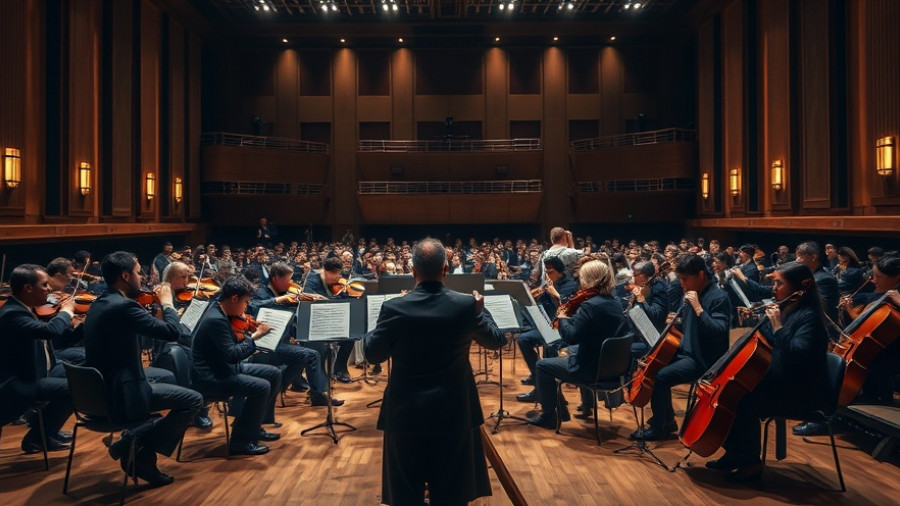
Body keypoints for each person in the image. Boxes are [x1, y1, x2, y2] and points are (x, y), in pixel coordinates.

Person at [364, 238, 505, 505]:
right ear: (445, 269)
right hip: (454, 412)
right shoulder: (465, 306)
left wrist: (381, 322)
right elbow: (496, 340)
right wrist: (481, 310)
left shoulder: (394, 307)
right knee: (451, 495)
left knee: (405, 495)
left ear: (412, 270)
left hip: (405, 413)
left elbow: (373, 354)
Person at [84, 251, 203, 487]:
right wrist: (168, 303)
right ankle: (134, 443)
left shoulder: (100, 302)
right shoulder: (125, 307)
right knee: (194, 400)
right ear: (126, 276)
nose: (143, 279)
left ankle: (138, 448)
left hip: (97, 392)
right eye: (139, 273)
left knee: (165, 375)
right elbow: (172, 333)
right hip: (121, 396)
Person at [705, 262, 829, 481]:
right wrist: (761, 323)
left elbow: (797, 355)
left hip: (802, 390)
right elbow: (769, 344)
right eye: (773, 282)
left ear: (800, 286)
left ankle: (751, 464)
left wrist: (778, 326)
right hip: (781, 379)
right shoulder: (788, 307)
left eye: (779, 283)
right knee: (732, 395)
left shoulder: (809, 316)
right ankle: (734, 453)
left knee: (741, 402)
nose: (773, 288)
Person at [633, 253, 731, 441]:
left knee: (661, 377)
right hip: (686, 351)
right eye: (679, 279)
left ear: (701, 275)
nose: (682, 283)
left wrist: (698, 308)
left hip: (704, 360)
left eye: (685, 279)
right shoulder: (691, 293)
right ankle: (666, 422)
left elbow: (718, 330)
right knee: (653, 366)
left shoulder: (719, 297)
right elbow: (686, 324)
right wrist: (676, 319)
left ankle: (661, 427)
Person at [527, 260, 629, 428]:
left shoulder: (589, 305)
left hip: (590, 369)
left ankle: (550, 416)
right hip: (612, 368)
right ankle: (576, 407)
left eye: (582, 278)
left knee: (542, 365)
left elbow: (571, 336)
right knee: (567, 351)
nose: (580, 281)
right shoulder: (615, 302)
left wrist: (562, 316)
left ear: (589, 280)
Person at [191, 277, 281, 455]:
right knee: (261, 387)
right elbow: (233, 355)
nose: (246, 307)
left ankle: (253, 426)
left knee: (274, 373)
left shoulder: (221, 311)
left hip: (223, 368)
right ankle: (240, 441)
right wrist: (255, 337)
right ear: (234, 298)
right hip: (213, 377)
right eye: (246, 301)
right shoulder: (216, 319)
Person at [0, 264, 81, 454]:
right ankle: (38, 438)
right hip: (19, 382)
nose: (50, 289)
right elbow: (50, 331)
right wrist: (67, 311)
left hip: (42, 369)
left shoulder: (28, 309)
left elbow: (60, 336)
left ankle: (48, 430)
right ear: (28, 288)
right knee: (74, 389)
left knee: (79, 373)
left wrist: (82, 324)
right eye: (44, 285)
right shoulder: (12, 314)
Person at [248, 261, 343, 406]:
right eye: (287, 279)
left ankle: (314, 394)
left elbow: (288, 317)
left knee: (313, 352)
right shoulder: (261, 292)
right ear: (275, 278)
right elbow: (252, 306)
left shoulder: (285, 293)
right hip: (263, 344)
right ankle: (274, 390)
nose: (290, 283)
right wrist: (278, 300)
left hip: (282, 342)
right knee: (310, 354)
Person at [516, 256, 578, 401]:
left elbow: (568, 311)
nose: (548, 275)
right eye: (546, 272)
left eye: (550, 272)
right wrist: (534, 297)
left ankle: (547, 391)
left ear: (560, 271)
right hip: (549, 326)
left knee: (549, 346)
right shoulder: (549, 283)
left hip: (564, 329)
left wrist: (555, 295)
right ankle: (539, 381)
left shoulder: (570, 285)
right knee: (524, 340)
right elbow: (540, 307)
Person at [302, 256, 356, 382]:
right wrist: (328, 299)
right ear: (326, 271)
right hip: (316, 323)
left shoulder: (337, 281)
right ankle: (320, 381)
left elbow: (343, 298)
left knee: (352, 337)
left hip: (332, 320)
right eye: (335, 274)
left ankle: (339, 369)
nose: (337, 277)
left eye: (339, 274)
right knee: (319, 347)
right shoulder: (312, 278)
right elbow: (308, 298)